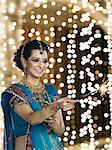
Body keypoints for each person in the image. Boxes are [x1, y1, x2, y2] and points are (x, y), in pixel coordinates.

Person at [1, 40, 79, 150]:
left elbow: (60, 131)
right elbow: (31, 118)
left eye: (45, 61)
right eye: (36, 60)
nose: (41, 65)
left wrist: (53, 122)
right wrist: (55, 106)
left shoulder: (50, 91)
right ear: (24, 61)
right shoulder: (14, 92)